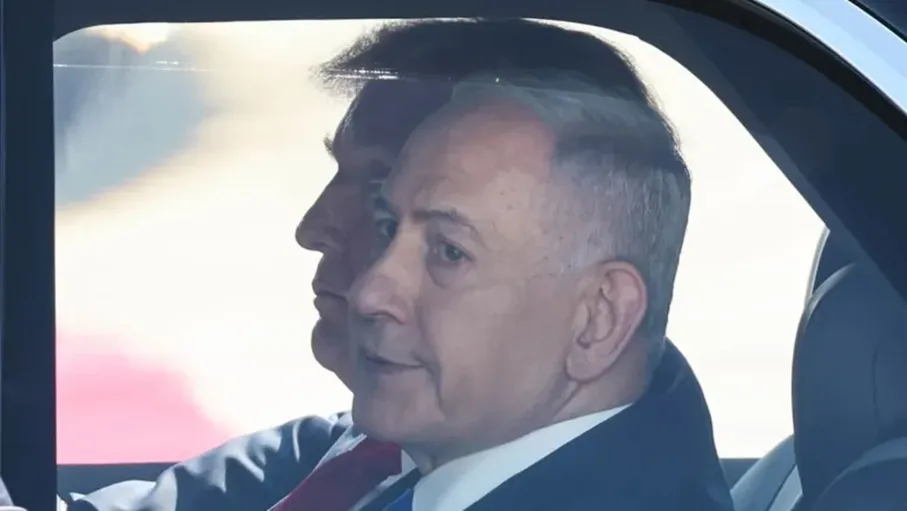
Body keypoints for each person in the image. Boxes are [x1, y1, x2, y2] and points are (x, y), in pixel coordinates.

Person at [72, 19, 731, 511]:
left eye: (448, 248)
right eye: (388, 219)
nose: (370, 289)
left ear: (598, 318)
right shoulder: (417, 438)